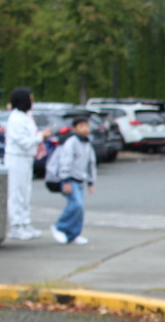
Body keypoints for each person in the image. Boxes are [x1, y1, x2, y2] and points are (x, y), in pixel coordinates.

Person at [5, 87, 53, 240]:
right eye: (30, 99)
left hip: (26, 158)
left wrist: (40, 135)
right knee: (16, 192)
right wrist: (41, 137)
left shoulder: (26, 116)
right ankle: (16, 226)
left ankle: (25, 223)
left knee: (25, 192)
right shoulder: (15, 118)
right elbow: (23, 141)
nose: (32, 102)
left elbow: (30, 136)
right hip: (16, 158)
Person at [50, 115, 97, 245]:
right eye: (81, 126)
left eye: (86, 126)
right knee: (76, 204)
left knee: (79, 208)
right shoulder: (71, 143)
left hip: (80, 180)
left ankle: (73, 234)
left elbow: (91, 163)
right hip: (70, 179)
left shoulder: (87, 143)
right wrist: (65, 180)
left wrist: (91, 182)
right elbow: (66, 162)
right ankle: (60, 227)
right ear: (74, 128)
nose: (85, 129)